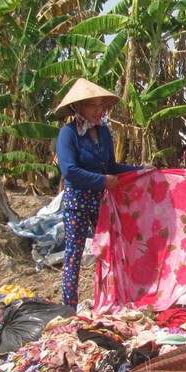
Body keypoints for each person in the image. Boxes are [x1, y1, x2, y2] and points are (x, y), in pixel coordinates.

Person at [55, 78, 144, 309]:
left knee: (111, 250)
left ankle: (112, 300)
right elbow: (70, 171)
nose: (97, 111)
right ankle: (68, 307)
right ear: (78, 107)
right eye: (91, 106)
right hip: (77, 202)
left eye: (99, 106)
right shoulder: (69, 134)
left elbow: (111, 166)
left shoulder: (103, 133)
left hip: (102, 202)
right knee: (74, 255)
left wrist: (141, 171)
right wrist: (102, 181)